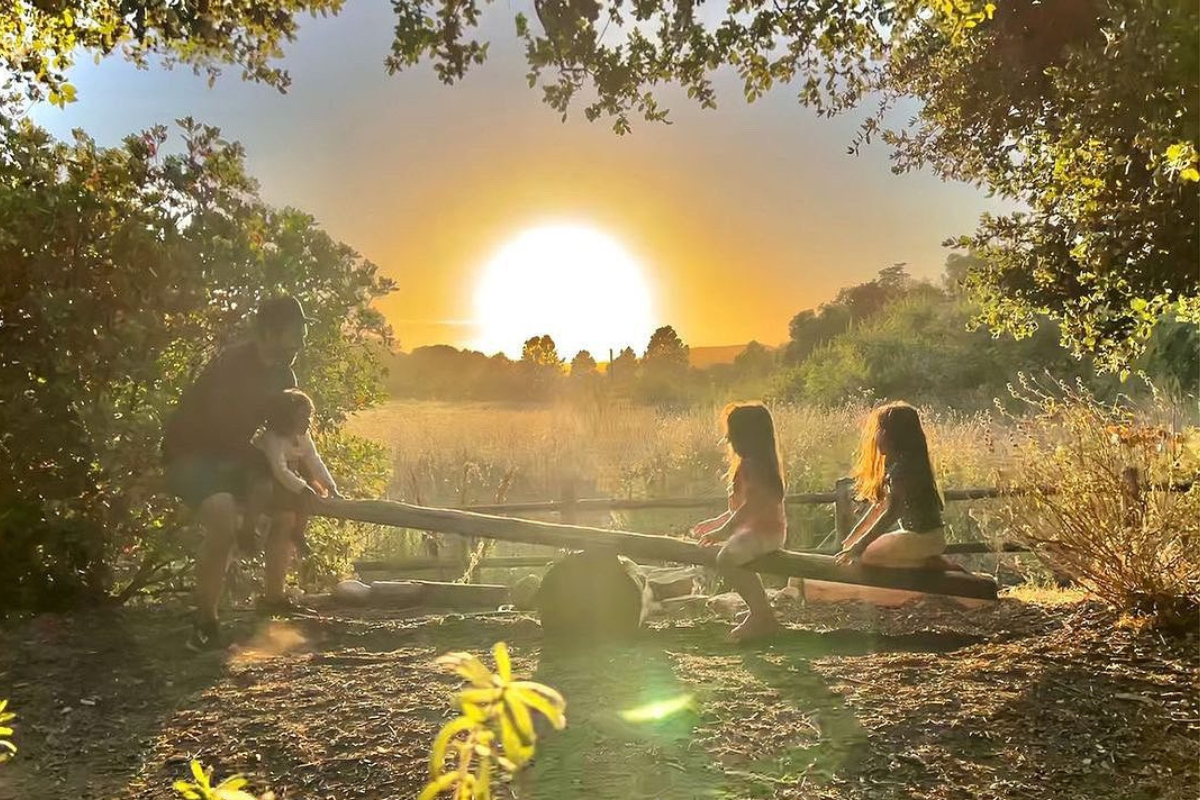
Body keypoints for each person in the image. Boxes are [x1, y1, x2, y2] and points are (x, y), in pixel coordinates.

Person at [162, 295, 316, 652]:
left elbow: (285, 432)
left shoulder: (283, 374)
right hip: (191, 455)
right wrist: (261, 465)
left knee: (287, 505)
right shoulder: (231, 366)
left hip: (235, 457)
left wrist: (304, 474)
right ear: (269, 332)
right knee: (222, 513)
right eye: (295, 332)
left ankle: (273, 601)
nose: (302, 340)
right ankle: (206, 623)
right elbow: (218, 430)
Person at [690, 402, 787, 642]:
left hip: (765, 532)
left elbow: (752, 507)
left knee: (727, 558)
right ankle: (760, 610)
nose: (729, 441)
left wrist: (724, 531)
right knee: (728, 553)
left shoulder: (756, 467)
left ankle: (761, 614)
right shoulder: (752, 465)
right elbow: (742, 509)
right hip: (759, 530)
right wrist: (718, 522)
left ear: (748, 437)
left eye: (732, 436)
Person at [834, 401, 948, 569]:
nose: (876, 436)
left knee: (867, 556)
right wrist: (853, 538)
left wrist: (859, 546)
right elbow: (879, 507)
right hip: (923, 538)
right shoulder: (899, 466)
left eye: (880, 430)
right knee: (866, 553)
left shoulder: (905, 470)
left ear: (894, 436)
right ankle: (925, 566)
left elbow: (891, 513)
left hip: (922, 539)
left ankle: (929, 568)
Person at [250, 388, 342, 558]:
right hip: (264, 475)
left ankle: (298, 533)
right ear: (286, 418)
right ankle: (252, 531)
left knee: (307, 495)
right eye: (302, 417)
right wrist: (302, 487)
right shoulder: (273, 439)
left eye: (309, 416)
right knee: (292, 496)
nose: (307, 422)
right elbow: (279, 469)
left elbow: (314, 460)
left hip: (285, 476)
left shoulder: (303, 437)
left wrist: (330, 486)